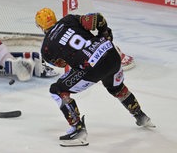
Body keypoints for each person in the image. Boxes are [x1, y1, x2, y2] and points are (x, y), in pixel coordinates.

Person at [35, 8, 155, 147]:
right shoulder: (69, 19)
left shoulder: (46, 48)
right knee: (117, 88)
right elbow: (98, 18)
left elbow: (61, 64)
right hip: (111, 54)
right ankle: (140, 115)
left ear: (40, 26)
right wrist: (105, 35)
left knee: (57, 90)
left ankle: (78, 131)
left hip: (91, 68)